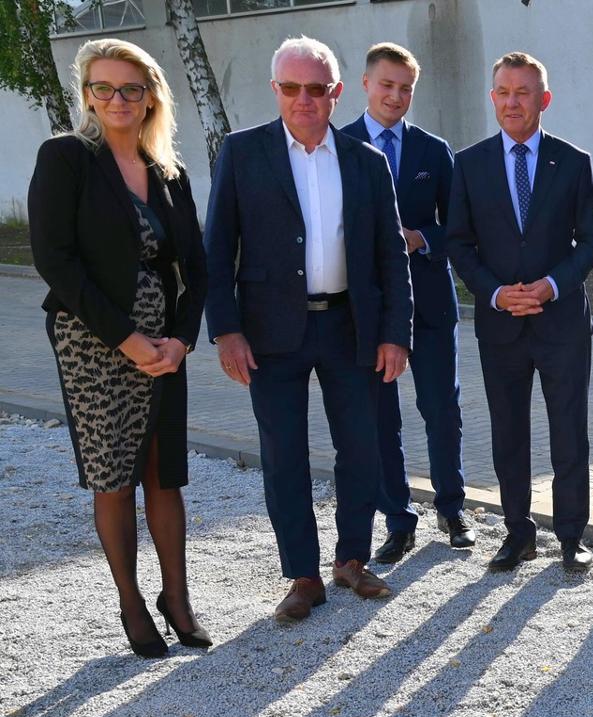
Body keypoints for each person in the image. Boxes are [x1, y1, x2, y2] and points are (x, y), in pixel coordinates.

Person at [203, 36, 412, 624]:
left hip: (352, 327)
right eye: (291, 88)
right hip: (270, 335)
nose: (304, 99)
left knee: (362, 450)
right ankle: (303, 574)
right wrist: (226, 331)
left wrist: (396, 333)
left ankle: (352, 559)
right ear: (276, 91)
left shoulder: (366, 161)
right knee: (284, 455)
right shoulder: (243, 153)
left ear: (335, 93)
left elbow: (390, 256)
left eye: (316, 89)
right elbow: (217, 249)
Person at [30, 38, 211, 656]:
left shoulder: (170, 172)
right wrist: (128, 339)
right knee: (114, 479)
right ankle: (133, 605)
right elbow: (55, 260)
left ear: (150, 96)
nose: (116, 99)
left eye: (130, 88)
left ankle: (177, 598)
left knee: (165, 477)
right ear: (86, 96)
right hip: (93, 344)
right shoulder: (67, 158)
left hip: (164, 350)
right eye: (102, 88)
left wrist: (181, 341)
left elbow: (198, 268)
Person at [445, 51, 593, 573]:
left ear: (544, 99)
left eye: (524, 92)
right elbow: (459, 243)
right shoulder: (468, 164)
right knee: (508, 432)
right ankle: (518, 533)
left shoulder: (573, 161)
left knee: (569, 431)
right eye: (504, 92)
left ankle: (571, 537)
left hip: (560, 323)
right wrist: (494, 293)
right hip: (500, 324)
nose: (513, 102)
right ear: (493, 98)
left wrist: (553, 284)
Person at [340, 42, 471, 562]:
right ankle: (398, 519)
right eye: (387, 85)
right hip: (368, 311)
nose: (396, 96)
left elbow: (458, 227)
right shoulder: (338, 144)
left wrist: (421, 238)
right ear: (365, 85)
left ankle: (452, 507)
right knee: (380, 420)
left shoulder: (433, 150)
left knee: (442, 410)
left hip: (432, 305)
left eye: (406, 88)